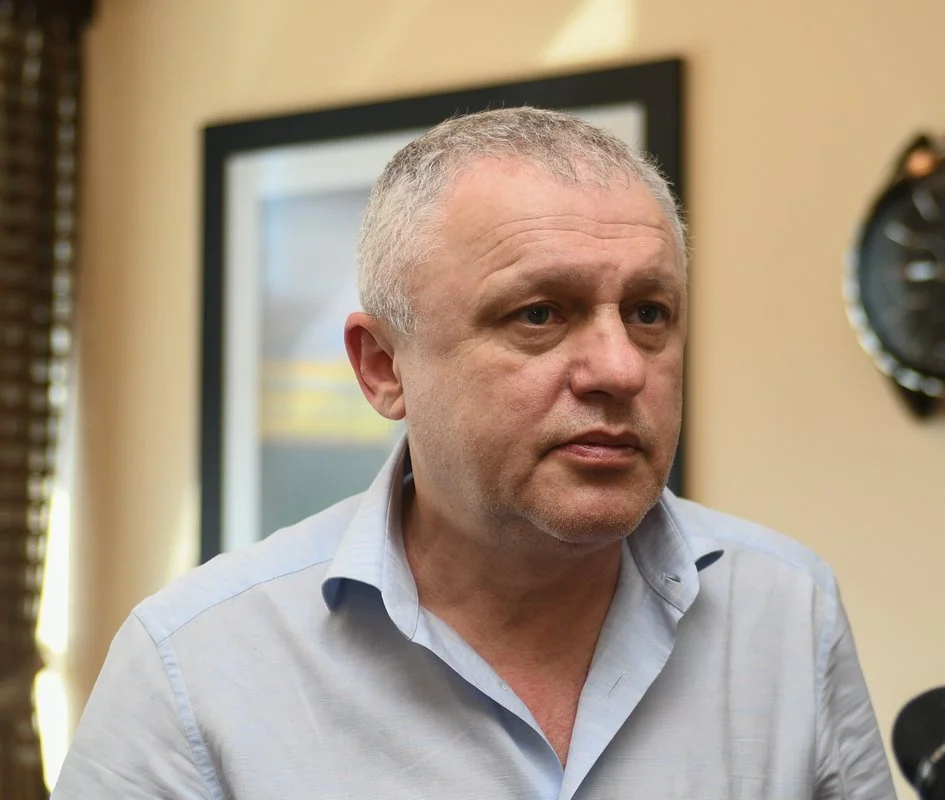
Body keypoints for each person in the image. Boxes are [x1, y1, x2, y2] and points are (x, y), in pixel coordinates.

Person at [52, 107, 897, 799]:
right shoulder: (195, 668)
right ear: (384, 368)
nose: (619, 369)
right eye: (539, 314)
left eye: (649, 313)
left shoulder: (788, 611)